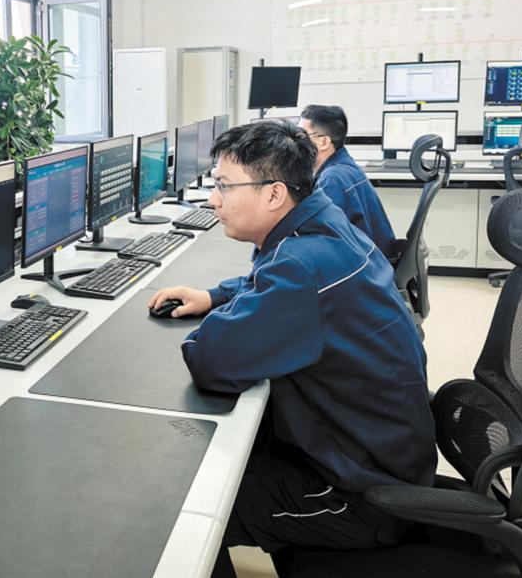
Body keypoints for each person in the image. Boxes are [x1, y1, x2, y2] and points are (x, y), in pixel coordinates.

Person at [147, 120, 436, 577]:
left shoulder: (301, 269)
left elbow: (212, 361)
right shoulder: (323, 222)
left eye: (224, 186)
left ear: (274, 195)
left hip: (358, 495)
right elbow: (273, 281)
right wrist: (216, 296)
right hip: (379, 453)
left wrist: (221, 322)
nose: (213, 200)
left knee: (180, 508)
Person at [299, 105, 398, 259]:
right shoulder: (346, 167)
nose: (297, 143)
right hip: (378, 260)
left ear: (324, 142)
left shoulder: (331, 180)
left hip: (365, 264)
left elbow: (321, 240)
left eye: (302, 136)